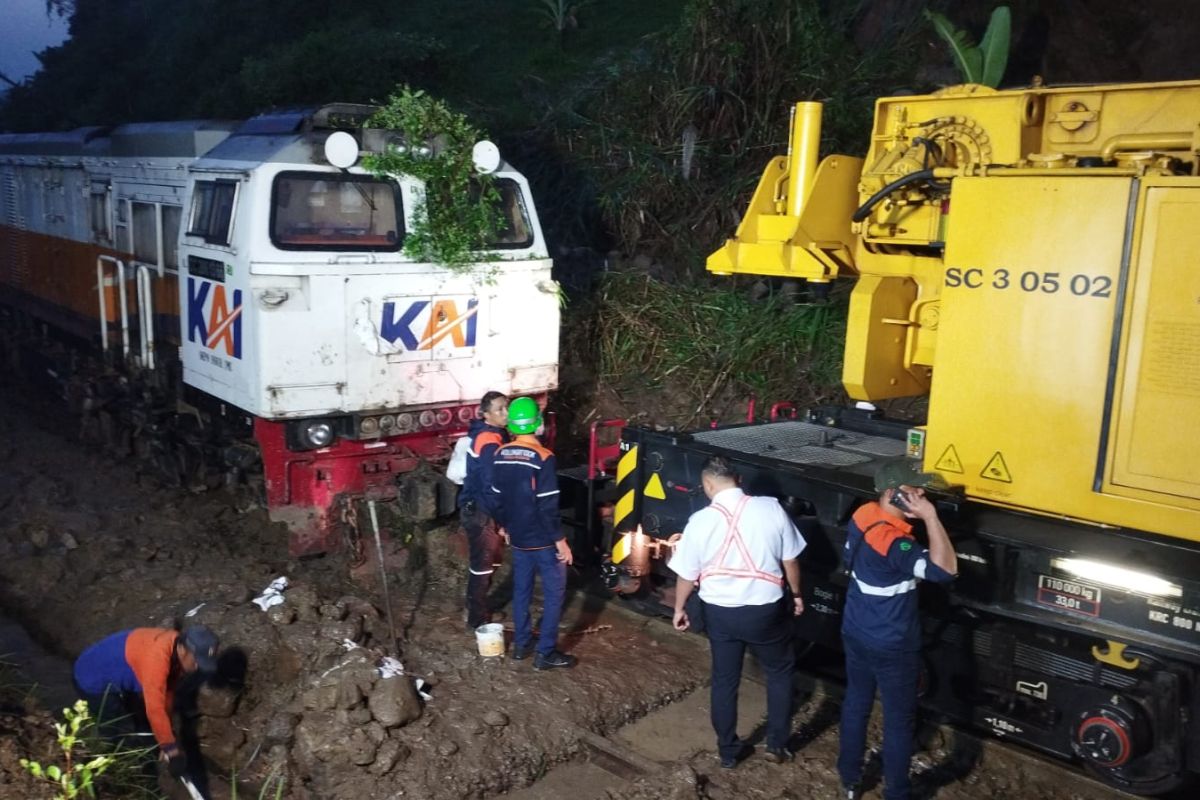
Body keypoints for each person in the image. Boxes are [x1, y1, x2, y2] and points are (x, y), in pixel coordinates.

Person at [669, 456, 806, 769]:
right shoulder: (771, 509)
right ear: (739, 479)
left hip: (720, 612)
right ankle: (776, 745)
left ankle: (728, 752)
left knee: (724, 679)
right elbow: (791, 561)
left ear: (707, 485)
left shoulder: (700, 521)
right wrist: (796, 595)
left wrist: (679, 608)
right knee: (780, 672)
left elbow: (687, 574)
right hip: (765, 611)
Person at [837, 460, 958, 800]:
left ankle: (849, 779)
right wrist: (931, 517)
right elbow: (944, 571)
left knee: (856, 703)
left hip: (856, 631)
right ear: (892, 492)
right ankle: (897, 792)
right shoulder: (894, 543)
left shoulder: (864, 514)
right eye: (913, 489)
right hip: (892, 644)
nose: (921, 494)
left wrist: (912, 517)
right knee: (898, 720)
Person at [487, 396, 575, 670]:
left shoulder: (500, 454)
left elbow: (496, 499)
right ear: (538, 423)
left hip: (519, 538)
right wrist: (561, 541)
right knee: (553, 594)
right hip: (544, 541)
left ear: (511, 426)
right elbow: (547, 507)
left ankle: (522, 645)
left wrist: (504, 526)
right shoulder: (544, 458)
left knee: (521, 591)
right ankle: (545, 653)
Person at [73, 625, 220, 777]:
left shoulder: (176, 646)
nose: (196, 668)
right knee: (119, 732)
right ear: (183, 649)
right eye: (196, 662)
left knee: (142, 723)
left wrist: (168, 735)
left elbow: (167, 694)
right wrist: (171, 748)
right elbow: (155, 708)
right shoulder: (157, 658)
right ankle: (113, 772)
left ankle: (145, 753)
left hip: (120, 673)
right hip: (91, 678)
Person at [459, 390, 509, 629]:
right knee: (483, 565)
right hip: (481, 511)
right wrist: (501, 520)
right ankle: (476, 620)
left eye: (506, 407)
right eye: (500, 409)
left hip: (483, 509)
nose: (506, 413)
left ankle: (475, 607)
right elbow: (492, 485)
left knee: (491, 561)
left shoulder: (493, 435)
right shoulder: (489, 441)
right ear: (486, 414)